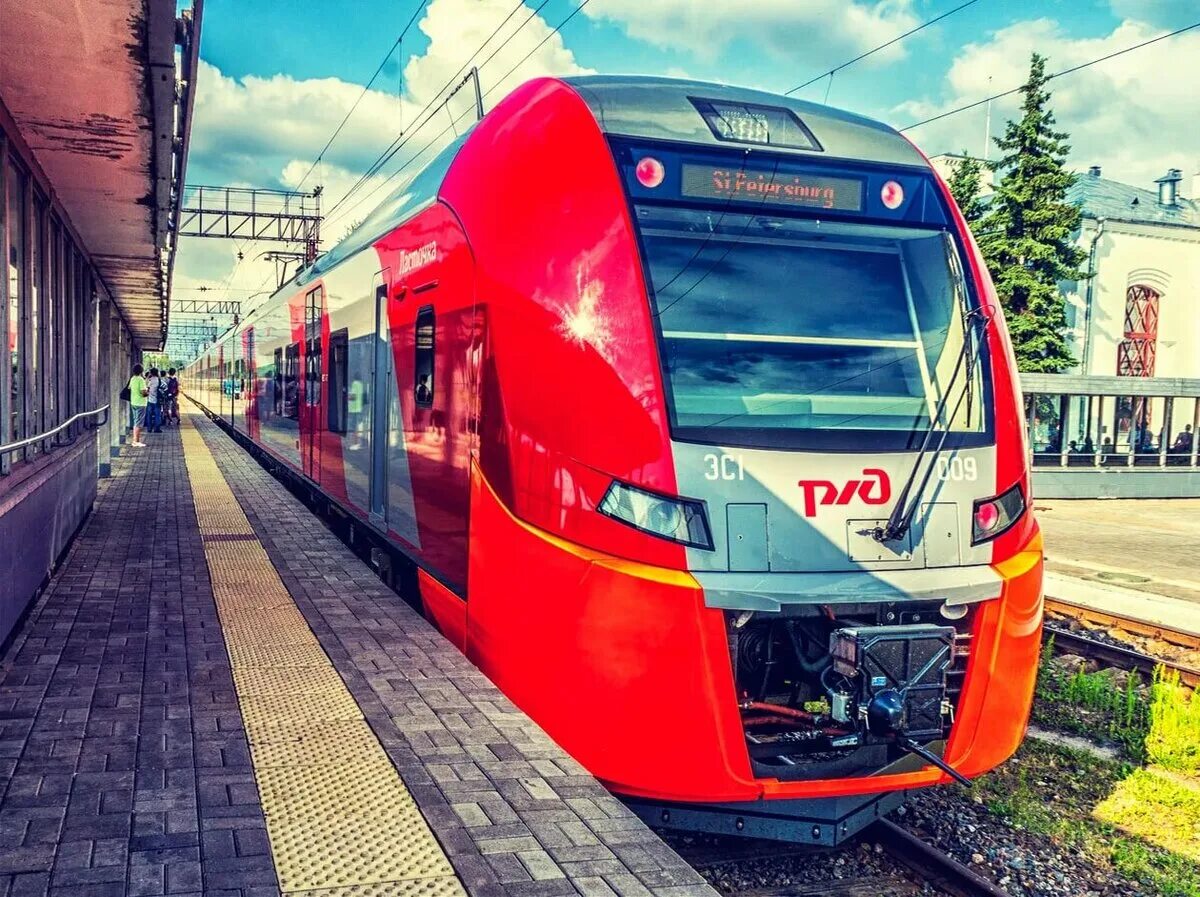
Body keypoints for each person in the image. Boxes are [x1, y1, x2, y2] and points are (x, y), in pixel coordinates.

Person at [128, 363, 148, 447]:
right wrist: (148, 392)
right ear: (141, 371)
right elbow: (143, 392)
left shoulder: (132, 379)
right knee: (138, 423)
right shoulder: (141, 380)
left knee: (136, 421)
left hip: (134, 402)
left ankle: (134, 440)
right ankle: (136, 441)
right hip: (140, 403)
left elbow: (129, 388)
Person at [145, 367, 162, 433]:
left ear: (151, 373)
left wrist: (148, 376)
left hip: (149, 400)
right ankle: (157, 429)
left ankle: (149, 429)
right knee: (157, 415)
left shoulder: (149, 380)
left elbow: (146, 387)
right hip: (157, 400)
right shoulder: (159, 380)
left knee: (149, 415)